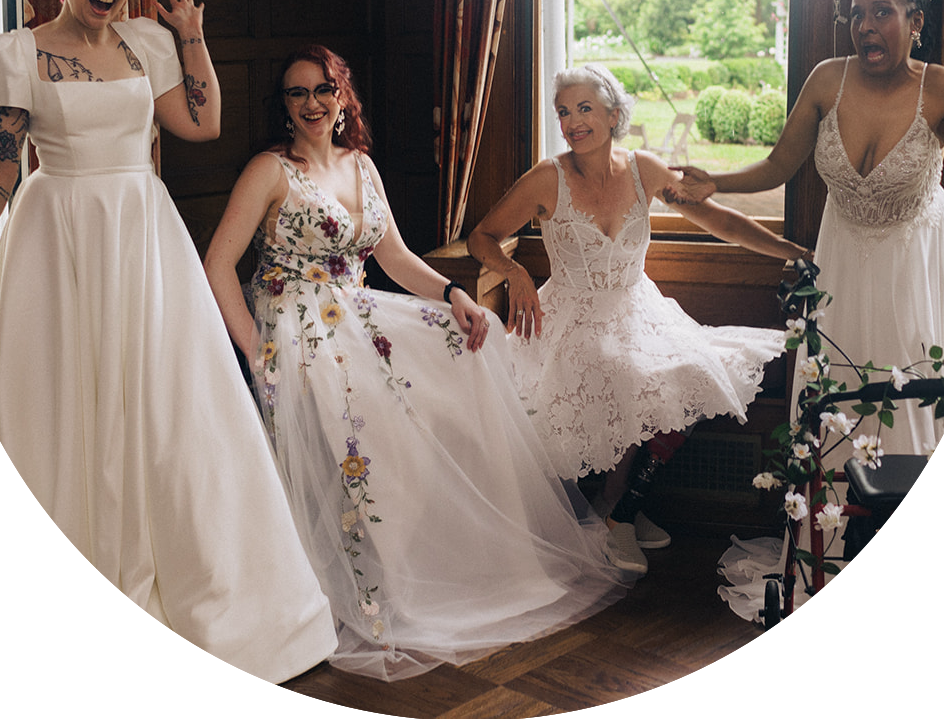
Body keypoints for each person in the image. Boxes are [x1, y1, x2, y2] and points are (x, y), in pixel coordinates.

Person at [0, 0, 336, 683]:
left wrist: (191, 36)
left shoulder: (146, 45)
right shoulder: (16, 55)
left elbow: (202, 122)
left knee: (166, 397)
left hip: (142, 231)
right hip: (58, 230)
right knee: (63, 396)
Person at [203, 44, 630, 682]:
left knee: (466, 345)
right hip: (292, 326)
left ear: (341, 96)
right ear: (284, 107)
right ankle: (356, 588)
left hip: (356, 310)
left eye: (324, 89)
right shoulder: (269, 170)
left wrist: (455, 294)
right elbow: (218, 266)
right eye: (298, 94)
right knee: (360, 441)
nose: (314, 103)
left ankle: (433, 563)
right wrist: (257, 354)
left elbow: (395, 259)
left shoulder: (362, 166)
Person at [669, 0, 944, 623]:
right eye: (857, 15)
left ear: (916, 23)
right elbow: (777, 165)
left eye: (883, 12)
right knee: (838, 397)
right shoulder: (827, 78)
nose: (867, 26)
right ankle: (829, 550)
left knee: (914, 395)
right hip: (842, 263)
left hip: (916, 270)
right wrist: (716, 183)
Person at [467, 64, 810, 574]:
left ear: (612, 114)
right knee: (624, 371)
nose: (573, 121)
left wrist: (786, 248)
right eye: (564, 111)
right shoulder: (547, 177)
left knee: (696, 372)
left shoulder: (642, 169)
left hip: (636, 307)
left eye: (585, 109)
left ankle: (622, 505)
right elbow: (482, 236)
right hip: (573, 318)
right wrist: (514, 272)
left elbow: (713, 217)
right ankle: (615, 507)